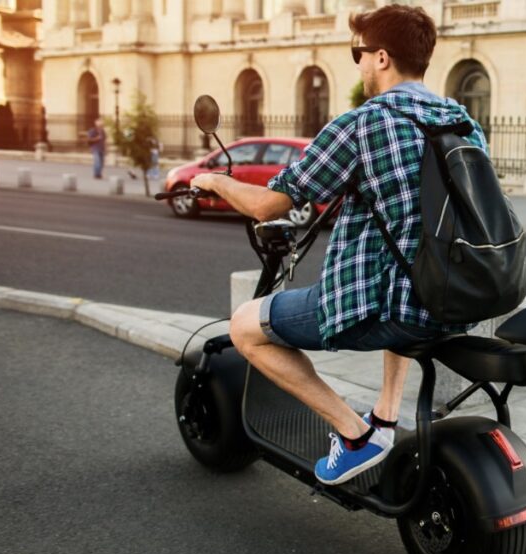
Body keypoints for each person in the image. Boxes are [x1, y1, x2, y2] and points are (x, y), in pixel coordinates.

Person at [190, 5, 487, 486]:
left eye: (359, 54)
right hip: (454, 295)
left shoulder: (362, 124)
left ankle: (354, 436)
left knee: (246, 325)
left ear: (383, 58)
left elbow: (269, 205)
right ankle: (385, 418)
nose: (359, 64)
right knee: (406, 266)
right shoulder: (461, 121)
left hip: (391, 306)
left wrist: (213, 181)